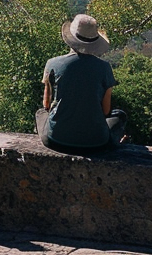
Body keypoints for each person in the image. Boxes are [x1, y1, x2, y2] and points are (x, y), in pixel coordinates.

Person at [35, 13, 127, 153]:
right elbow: (106, 111)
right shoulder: (104, 68)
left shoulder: (53, 64)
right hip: (96, 143)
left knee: (40, 113)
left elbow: (46, 105)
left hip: (55, 140)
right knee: (119, 115)